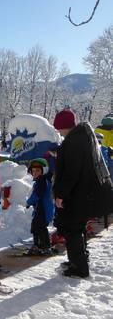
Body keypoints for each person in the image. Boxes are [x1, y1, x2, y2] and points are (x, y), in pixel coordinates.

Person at [52, 109, 113, 278]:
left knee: (72, 229)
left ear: (66, 126)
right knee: (78, 227)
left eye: (59, 127)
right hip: (84, 193)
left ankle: (78, 267)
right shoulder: (81, 137)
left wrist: (61, 194)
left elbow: (72, 172)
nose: (58, 131)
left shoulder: (75, 141)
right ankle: (80, 259)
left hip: (79, 194)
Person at [25, 158, 54, 255]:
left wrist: (28, 202)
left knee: (39, 227)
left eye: (37, 170)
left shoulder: (42, 181)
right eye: (33, 171)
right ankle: (39, 245)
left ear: (44, 170)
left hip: (43, 210)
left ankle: (43, 246)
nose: (35, 173)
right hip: (41, 209)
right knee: (37, 226)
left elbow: (36, 195)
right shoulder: (44, 180)